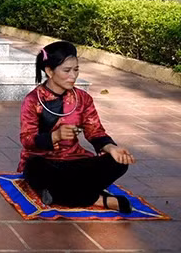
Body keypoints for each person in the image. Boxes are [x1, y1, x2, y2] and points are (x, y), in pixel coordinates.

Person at [19, 40, 135, 212]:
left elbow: (95, 131)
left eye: (76, 69)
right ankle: (99, 200)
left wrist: (111, 148)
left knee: (118, 162)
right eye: (66, 70)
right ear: (49, 71)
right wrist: (55, 136)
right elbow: (27, 139)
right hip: (45, 163)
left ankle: (61, 193)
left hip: (75, 161)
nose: (73, 76)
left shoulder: (82, 98)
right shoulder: (33, 100)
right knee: (36, 169)